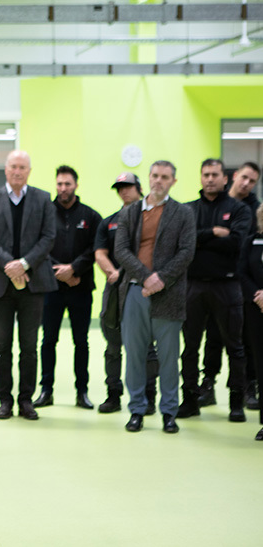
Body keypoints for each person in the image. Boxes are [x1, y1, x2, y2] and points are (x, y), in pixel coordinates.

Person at [115, 160, 195, 434]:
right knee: (135, 356)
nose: (159, 181)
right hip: (135, 292)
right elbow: (121, 251)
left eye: (165, 177)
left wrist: (161, 279)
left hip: (169, 294)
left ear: (173, 181)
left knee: (169, 358)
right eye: (155, 175)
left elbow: (186, 252)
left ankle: (169, 413)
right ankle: (137, 410)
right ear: (148, 178)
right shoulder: (130, 213)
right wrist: (147, 277)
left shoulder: (183, 213)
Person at [0, 150, 57, 421]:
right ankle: (5, 400)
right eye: (13, 166)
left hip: (33, 283)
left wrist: (24, 264)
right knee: (1, 345)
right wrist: (10, 265)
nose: (17, 171)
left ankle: (26, 400)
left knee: (29, 345)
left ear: (29, 171)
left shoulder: (43, 199)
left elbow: (48, 237)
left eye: (22, 167)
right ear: (6, 170)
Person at [177, 158, 251, 422]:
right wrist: (214, 233)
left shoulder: (239, 209)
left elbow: (236, 243)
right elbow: (184, 244)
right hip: (193, 286)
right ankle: (190, 400)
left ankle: (236, 403)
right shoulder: (187, 210)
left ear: (224, 178)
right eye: (206, 174)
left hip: (227, 286)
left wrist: (202, 238)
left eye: (215, 174)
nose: (210, 179)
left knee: (235, 346)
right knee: (190, 348)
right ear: (200, 177)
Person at [34, 165, 102, 410]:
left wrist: (74, 269)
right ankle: (46, 391)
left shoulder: (91, 216)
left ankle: (81, 392)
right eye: (60, 184)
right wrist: (60, 273)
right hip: (50, 288)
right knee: (48, 340)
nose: (63, 188)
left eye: (68, 184)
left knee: (81, 341)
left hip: (80, 287)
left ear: (76, 185)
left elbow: (96, 249)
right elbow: (39, 247)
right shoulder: (44, 213)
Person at [93, 173, 158, 414]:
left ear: (139, 189)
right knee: (113, 346)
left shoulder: (152, 219)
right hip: (115, 291)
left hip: (144, 290)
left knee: (147, 347)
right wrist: (112, 272)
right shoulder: (109, 222)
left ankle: (148, 396)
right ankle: (113, 395)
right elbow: (100, 253)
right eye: (119, 188)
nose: (123, 191)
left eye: (128, 187)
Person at [200, 160, 261, 409]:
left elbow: (239, 244)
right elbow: (193, 238)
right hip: (215, 280)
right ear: (233, 176)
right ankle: (208, 384)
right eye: (244, 177)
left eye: (252, 181)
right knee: (213, 337)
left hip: (243, 284)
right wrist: (214, 234)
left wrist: (208, 238)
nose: (246, 183)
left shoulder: (254, 209)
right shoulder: (213, 204)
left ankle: (248, 386)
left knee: (246, 340)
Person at [237, 203, 263, 441]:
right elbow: (241, 272)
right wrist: (258, 294)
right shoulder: (251, 241)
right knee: (260, 362)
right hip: (257, 309)